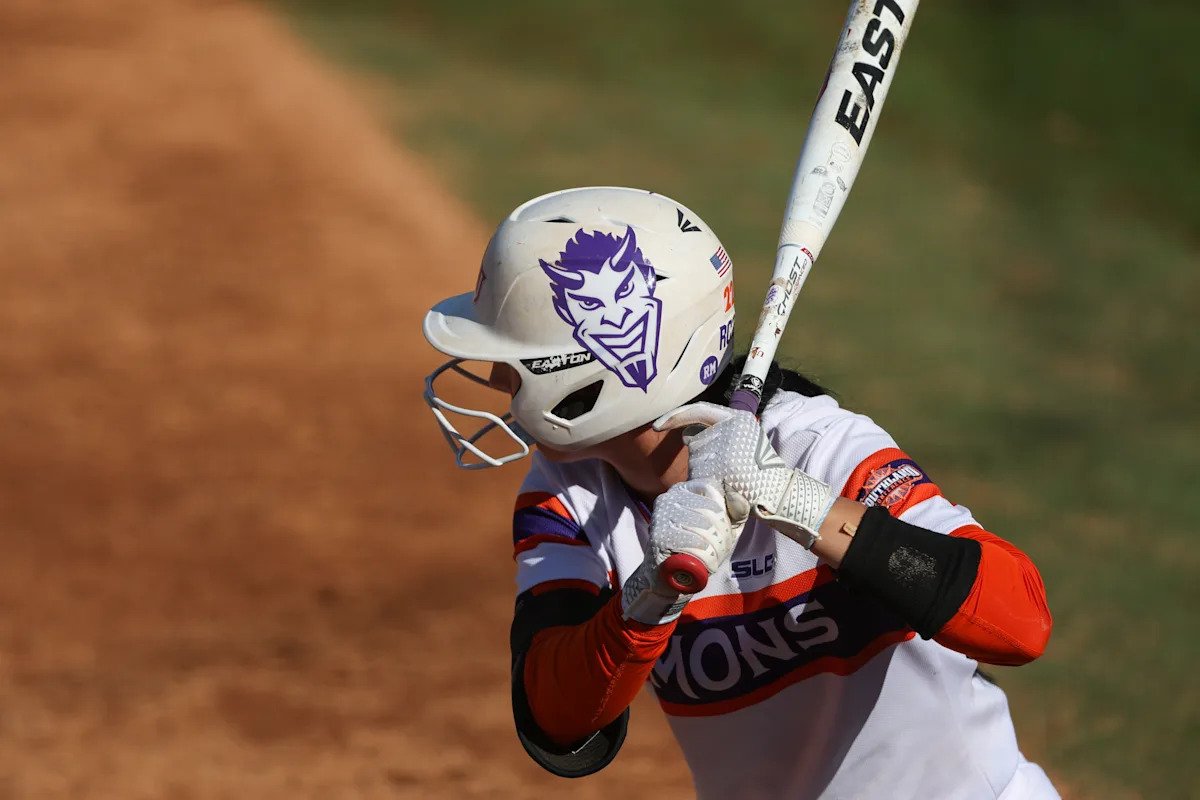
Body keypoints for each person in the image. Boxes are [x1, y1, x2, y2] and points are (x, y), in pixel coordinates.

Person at [422, 187, 1058, 799]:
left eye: (512, 359)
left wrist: (791, 500)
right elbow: (555, 718)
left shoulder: (819, 449)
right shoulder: (565, 497)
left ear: (594, 369)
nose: (495, 376)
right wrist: (650, 593)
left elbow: (1019, 621)